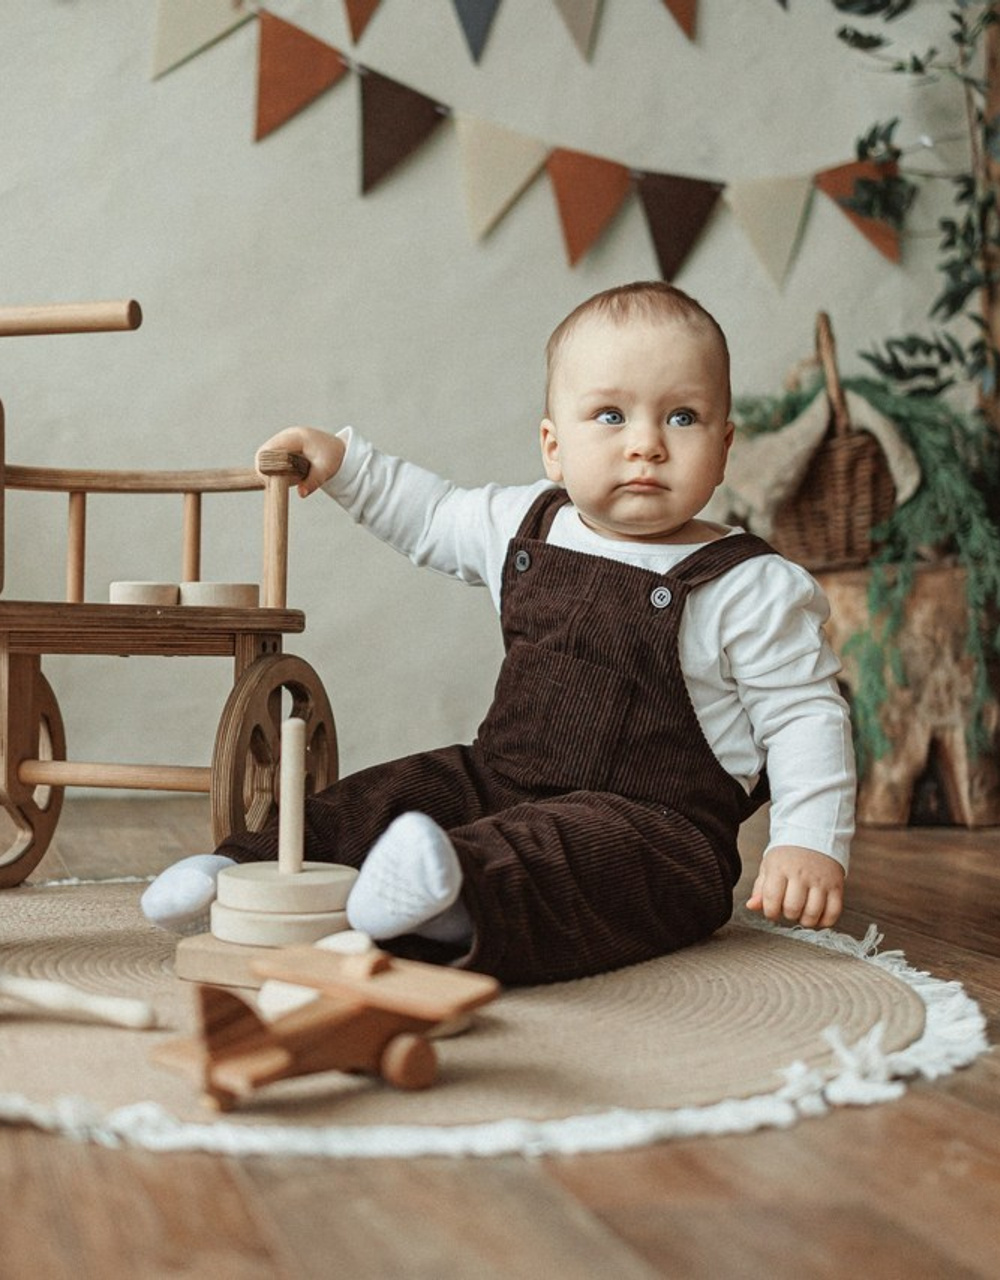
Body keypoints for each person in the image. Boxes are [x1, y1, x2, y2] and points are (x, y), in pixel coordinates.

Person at [142, 281, 856, 985]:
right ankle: (240, 871)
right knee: (395, 795)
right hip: (501, 777)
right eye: (610, 415)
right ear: (553, 445)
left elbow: (805, 717)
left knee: (559, 854)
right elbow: (429, 515)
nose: (646, 445)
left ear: (724, 444)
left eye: (682, 418)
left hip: (655, 833)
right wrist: (346, 466)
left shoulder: (751, 586)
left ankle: (449, 902)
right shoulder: (528, 524)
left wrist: (807, 842)